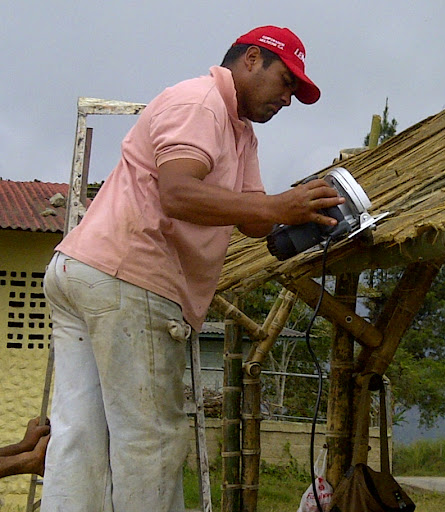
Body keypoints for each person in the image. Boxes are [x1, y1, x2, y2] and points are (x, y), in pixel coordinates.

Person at [41, 26, 343, 511]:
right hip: (129, 277)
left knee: (80, 434)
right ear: (250, 60)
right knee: (150, 440)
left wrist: (306, 219)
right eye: (285, 81)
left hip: (86, 271)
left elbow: (251, 218)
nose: (287, 99)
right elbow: (177, 192)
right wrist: (279, 207)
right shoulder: (201, 102)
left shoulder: (239, 132)